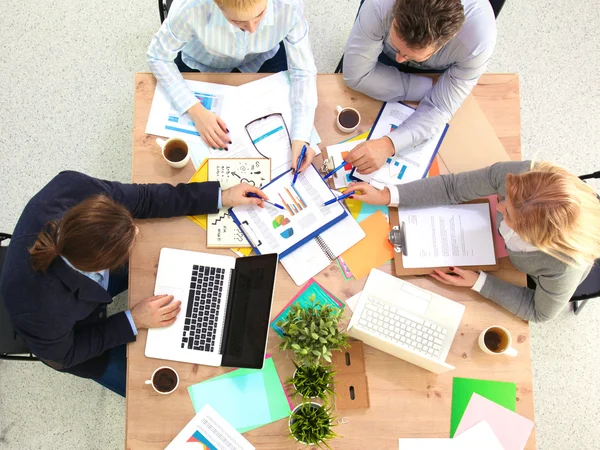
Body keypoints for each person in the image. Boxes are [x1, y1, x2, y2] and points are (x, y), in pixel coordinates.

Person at [0, 171, 268, 396]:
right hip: (74, 341)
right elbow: (66, 354)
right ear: (100, 265)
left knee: (175, 251)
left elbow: (143, 198)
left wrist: (220, 196)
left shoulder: (71, 189)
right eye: (126, 243)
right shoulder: (40, 309)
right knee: (169, 390)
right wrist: (132, 319)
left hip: (78, 289)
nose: (137, 231)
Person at [348, 161, 600, 322]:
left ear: (536, 240)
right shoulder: (523, 177)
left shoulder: (563, 266)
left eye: (508, 215)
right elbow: (453, 187)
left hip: (527, 271)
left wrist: (480, 282)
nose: (498, 205)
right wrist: (387, 195)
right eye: (506, 198)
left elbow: (539, 312)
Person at [147, 0, 318, 172]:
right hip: (203, 61)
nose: (252, 29)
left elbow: (303, 71)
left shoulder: (289, 5)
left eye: (260, 15)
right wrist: (195, 110)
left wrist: (301, 136)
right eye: (238, 22)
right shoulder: (190, 7)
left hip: (261, 56)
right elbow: (157, 57)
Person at [342, 0, 496, 174]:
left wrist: (390, 144)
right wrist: (429, 88)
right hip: (382, 52)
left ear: (449, 38)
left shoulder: (478, 42)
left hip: (437, 70)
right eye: (398, 48)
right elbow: (357, 75)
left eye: (409, 55)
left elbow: (440, 108)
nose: (399, 59)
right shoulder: (379, 5)